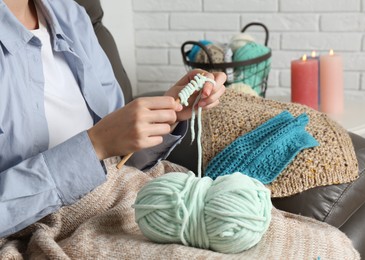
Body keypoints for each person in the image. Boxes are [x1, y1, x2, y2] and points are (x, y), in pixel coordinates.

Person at [0, 0, 226, 238]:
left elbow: (122, 159)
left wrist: (166, 114)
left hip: (131, 196)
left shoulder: (70, 14)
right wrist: (94, 146)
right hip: (49, 228)